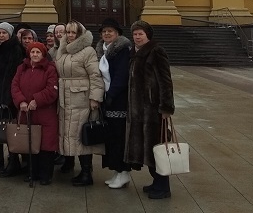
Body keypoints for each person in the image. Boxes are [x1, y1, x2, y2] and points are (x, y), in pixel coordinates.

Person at [125, 20, 175, 200]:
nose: (137, 37)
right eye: (135, 34)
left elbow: (165, 81)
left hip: (153, 111)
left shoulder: (156, 52)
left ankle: (163, 186)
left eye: (140, 34)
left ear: (148, 35)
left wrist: (166, 107)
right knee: (147, 149)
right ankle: (156, 182)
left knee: (157, 148)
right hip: (138, 111)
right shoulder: (135, 53)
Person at [54, 20, 104, 185]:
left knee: (82, 135)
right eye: (67, 32)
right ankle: (70, 162)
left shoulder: (87, 51)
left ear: (80, 34)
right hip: (64, 98)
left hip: (81, 99)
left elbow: (95, 76)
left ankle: (86, 172)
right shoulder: (62, 50)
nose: (69, 35)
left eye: (73, 32)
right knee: (68, 133)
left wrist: (95, 98)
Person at [11, 41, 59, 185]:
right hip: (27, 112)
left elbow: (52, 89)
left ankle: (45, 175)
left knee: (46, 146)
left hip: (45, 114)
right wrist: (21, 101)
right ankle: (32, 173)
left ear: (43, 54)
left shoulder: (50, 69)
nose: (35, 55)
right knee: (30, 145)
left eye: (38, 52)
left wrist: (36, 100)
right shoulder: (22, 68)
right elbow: (14, 86)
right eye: (33, 52)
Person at [95, 18, 132, 188]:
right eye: (104, 31)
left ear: (117, 34)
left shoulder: (123, 50)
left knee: (119, 136)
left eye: (110, 31)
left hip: (119, 100)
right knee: (111, 137)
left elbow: (122, 75)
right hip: (107, 99)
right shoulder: (102, 51)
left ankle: (123, 171)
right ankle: (117, 171)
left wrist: (112, 94)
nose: (107, 34)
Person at [0, 22, 26, 175]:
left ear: (9, 34)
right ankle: (2, 159)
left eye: (3, 33)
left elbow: (12, 76)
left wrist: (7, 99)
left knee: (10, 129)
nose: (0, 35)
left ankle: (13, 161)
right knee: (0, 127)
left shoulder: (15, 49)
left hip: (8, 97)